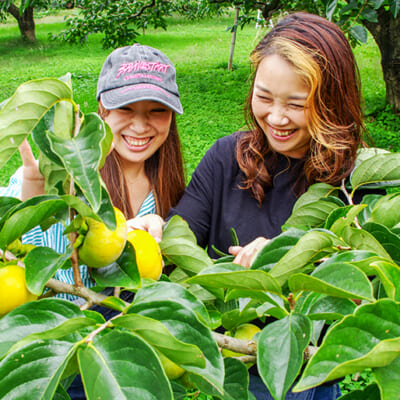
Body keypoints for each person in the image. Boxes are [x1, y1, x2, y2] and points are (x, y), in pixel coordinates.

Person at [129, 12, 376, 400]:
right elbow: (184, 227)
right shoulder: (226, 156)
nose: (275, 117)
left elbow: (364, 290)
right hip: (230, 362)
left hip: (304, 372)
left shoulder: (358, 183)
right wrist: (157, 231)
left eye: (297, 104)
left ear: (331, 101)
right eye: (264, 97)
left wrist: (293, 261)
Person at [0, 43, 185, 303]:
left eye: (157, 110)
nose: (141, 126)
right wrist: (32, 188)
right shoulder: (68, 179)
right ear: (102, 108)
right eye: (126, 108)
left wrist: (122, 241)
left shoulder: (166, 188)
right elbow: (17, 256)